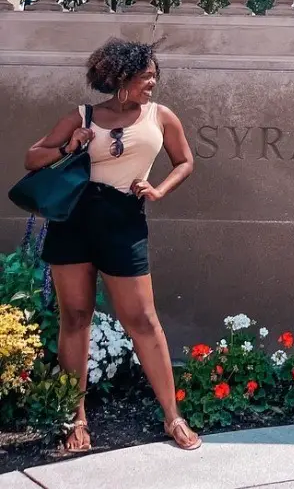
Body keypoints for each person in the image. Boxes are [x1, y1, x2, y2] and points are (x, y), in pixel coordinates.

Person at [24, 38, 201, 453]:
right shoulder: (82, 115)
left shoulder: (161, 116)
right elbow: (33, 157)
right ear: (120, 78)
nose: (152, 83)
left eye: (155, 76)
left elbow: (186, 161)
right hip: (75, 218)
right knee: (76, 317)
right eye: (145, 76)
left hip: (124, 220)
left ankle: (173, 416)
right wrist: (69, 146)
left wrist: (157, 190)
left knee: (142, 318)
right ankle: (76, 419)